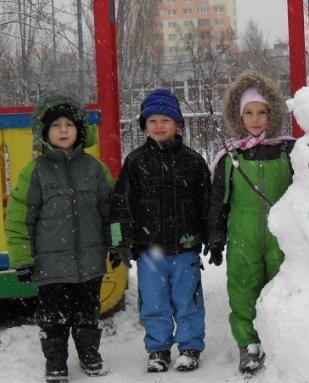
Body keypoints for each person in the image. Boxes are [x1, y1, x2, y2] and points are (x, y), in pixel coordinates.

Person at [5, 91, 114, 382]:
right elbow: (18, 219)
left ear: (80, 130)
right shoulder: (35, 173)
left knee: (87, 315)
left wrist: (116, 241)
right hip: (50, 268)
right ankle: (55, 361)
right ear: (44, 132)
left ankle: (89, 353)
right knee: (53, 319)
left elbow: (112, 211)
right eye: (56, 125)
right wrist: (23, 258)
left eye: (69, 124)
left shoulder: (94, 169)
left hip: (89, 262)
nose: (63, 130)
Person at [110, 88, 211, 373]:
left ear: (178, 125)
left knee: (187, 301)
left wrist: (213, 238)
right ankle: (158, 348)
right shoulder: (136, 162)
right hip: (149, 250)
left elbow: (206, 203)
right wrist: (120, 241)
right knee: (153, 304)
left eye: (166, 120)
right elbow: (121, 204)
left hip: (185, 247)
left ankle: (190, 346)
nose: (159, 125)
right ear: (144, 126)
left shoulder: (193, 161)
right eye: (152, 120)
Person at [207, 71, 294, 375]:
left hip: (282, 236)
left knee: (283, 289)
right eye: (249, 113)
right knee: (243, 290)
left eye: (262, 112)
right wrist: (216, 235)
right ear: (238, 116)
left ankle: (279, 341)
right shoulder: (229, 156)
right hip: (242, 236)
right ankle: (249, 344)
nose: (256, 119)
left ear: (273, 113)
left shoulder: (289, 150)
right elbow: (218, 199)